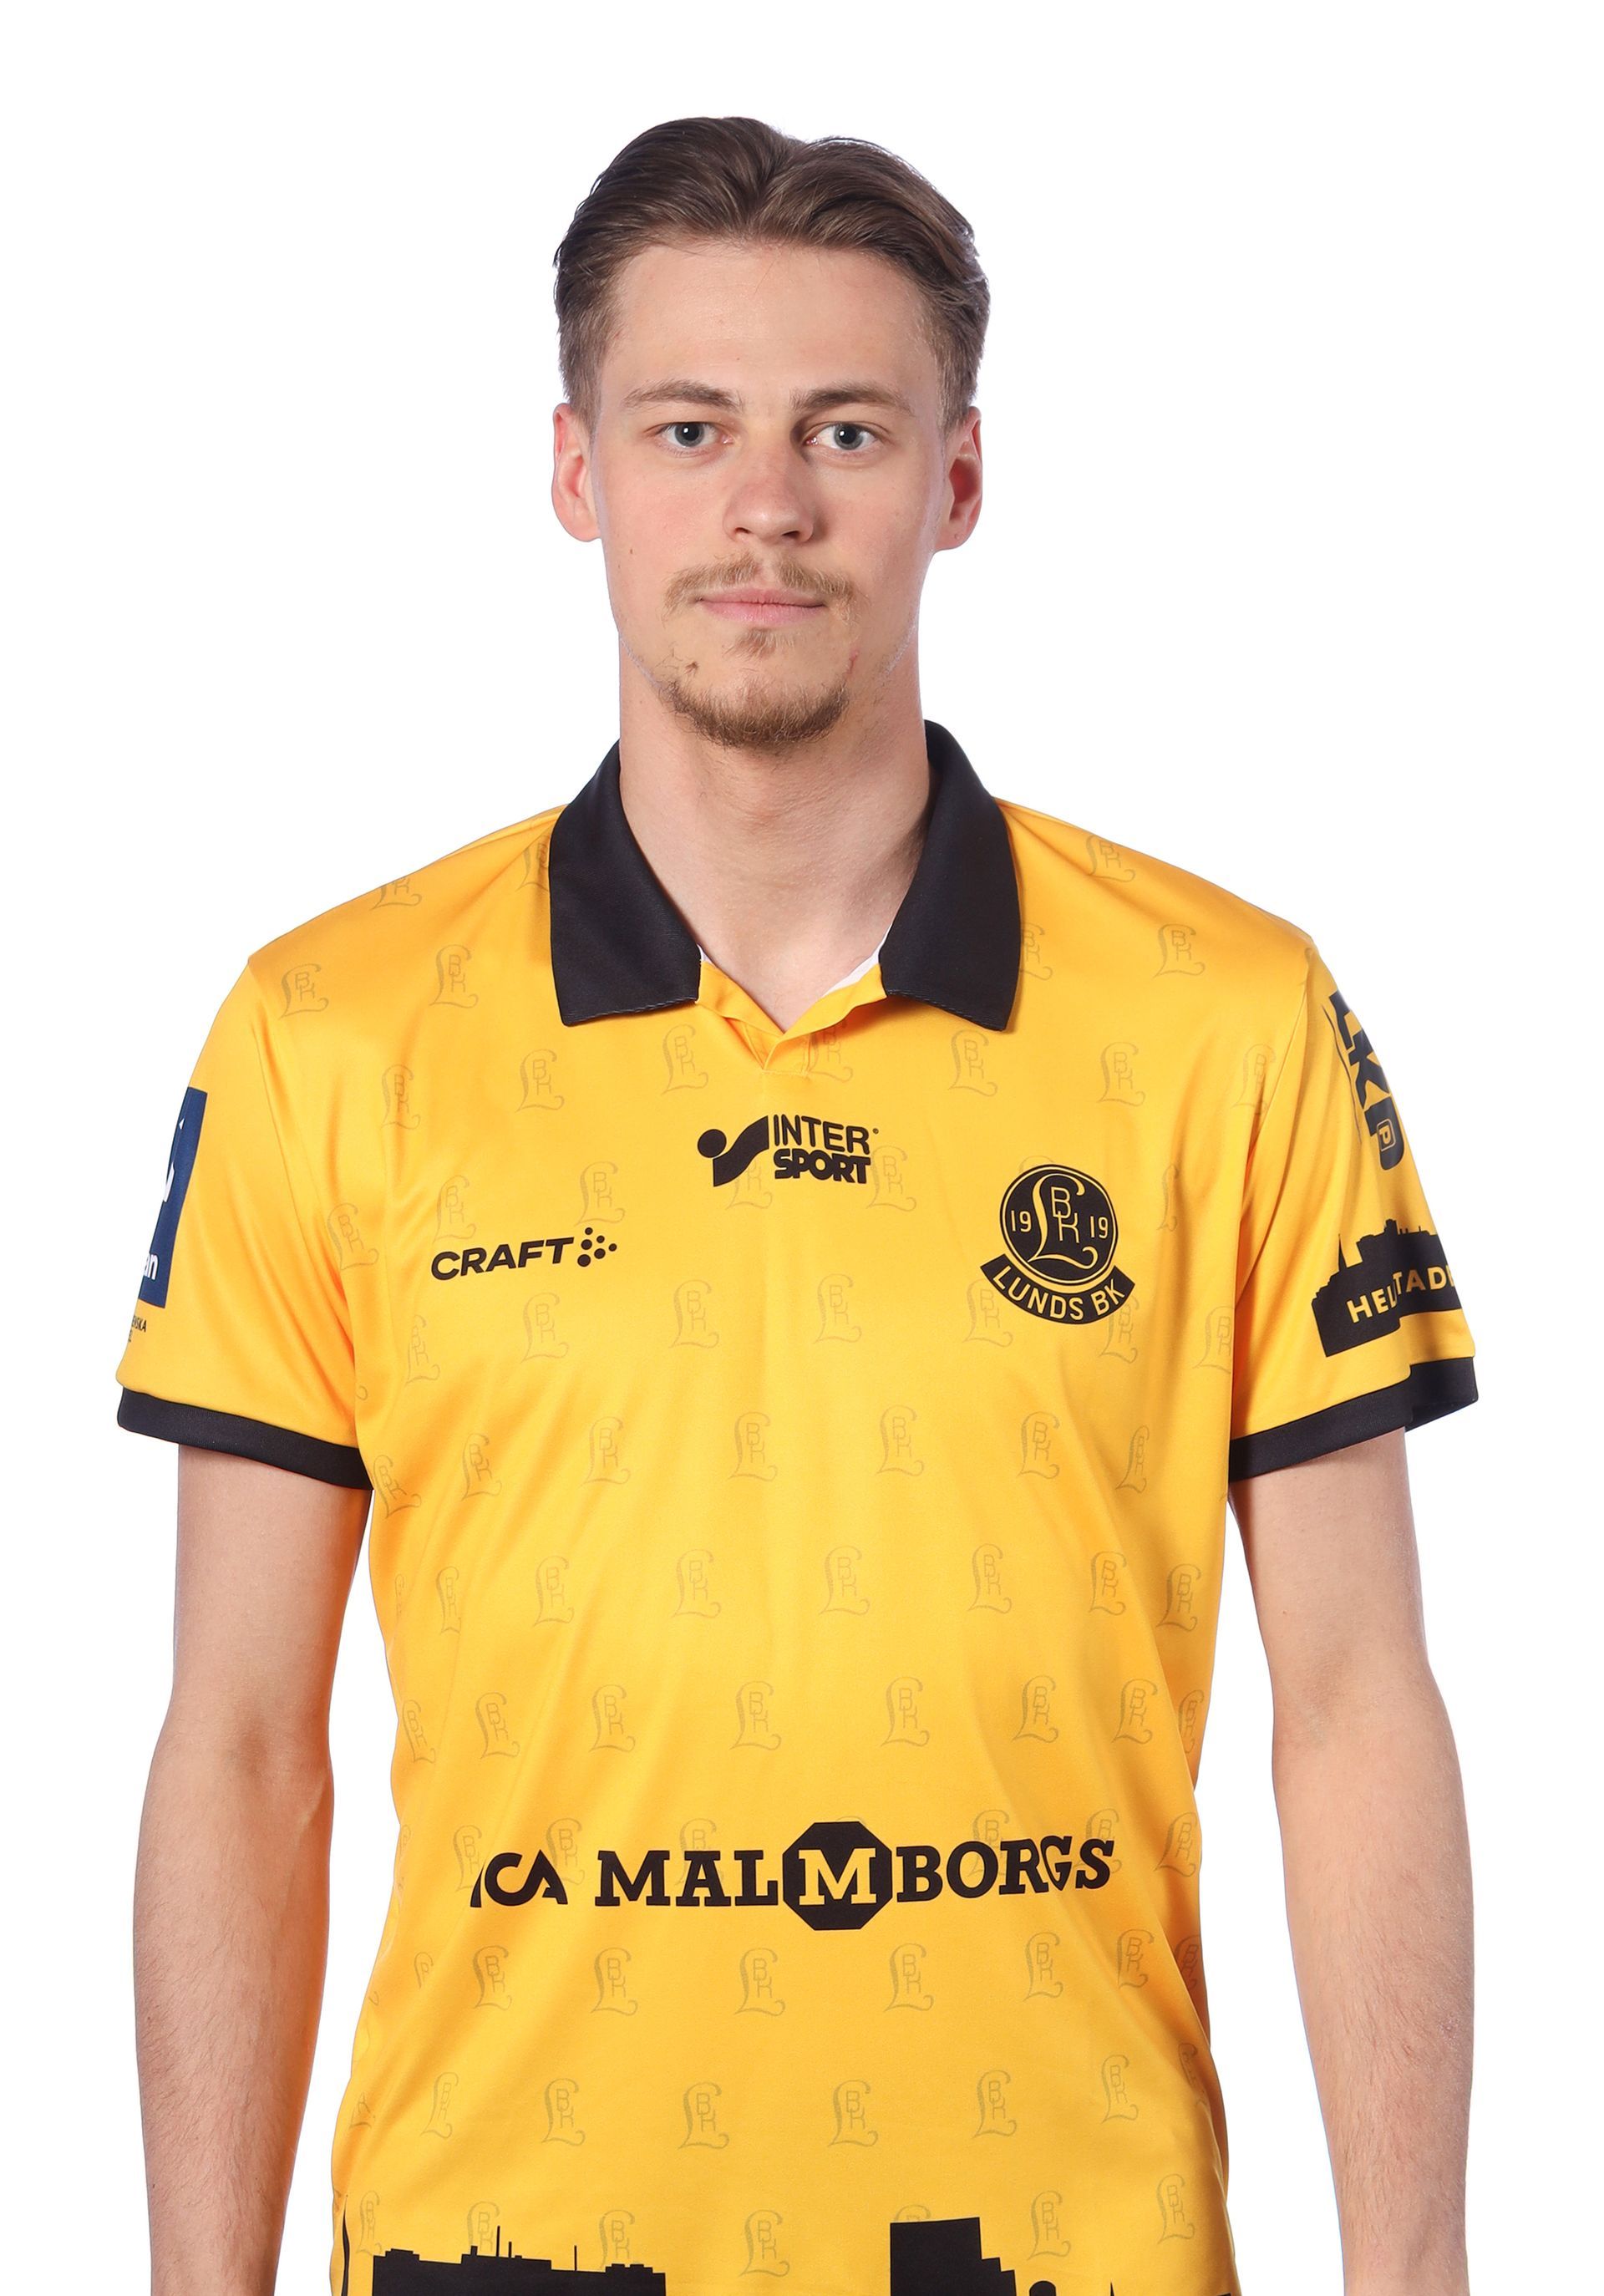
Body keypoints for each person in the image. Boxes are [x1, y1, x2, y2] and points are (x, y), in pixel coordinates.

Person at [116, 116, 1479, 2296]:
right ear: (576, 471)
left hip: (1074, 2248)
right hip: (498, 2246)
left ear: (957, 477)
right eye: (691, 428)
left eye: (845, 428)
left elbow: (1359, 1709)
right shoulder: (329, 1036)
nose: (766, 503)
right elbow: (244, 1746)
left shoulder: (1227, 1019)